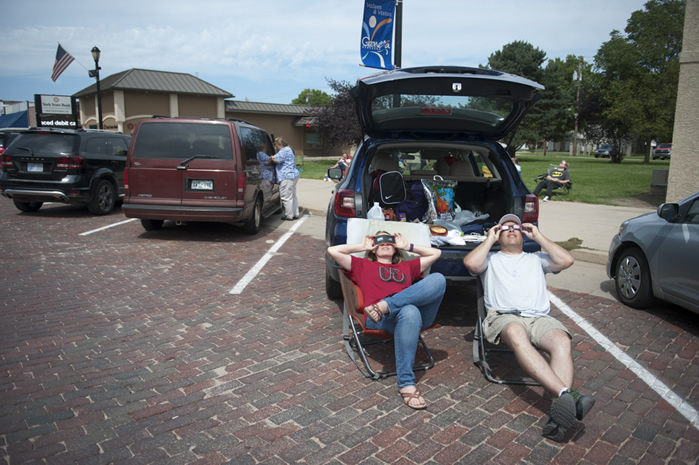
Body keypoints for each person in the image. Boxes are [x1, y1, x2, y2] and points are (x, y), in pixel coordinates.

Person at [463, 214, 595, 442]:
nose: (511, 230)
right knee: (516, 331)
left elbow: (566, 261)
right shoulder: (491, 259)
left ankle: (559, 412)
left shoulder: (537, 258)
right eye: (505, 227)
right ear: (498, 234)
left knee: (562, 340)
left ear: (524, 234)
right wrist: (488, 239)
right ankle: (566, 394)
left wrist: (539, 236)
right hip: (504, 317)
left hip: (538, 318)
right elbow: (471, 264)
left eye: (516, 227)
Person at [327, 231, 445, 409]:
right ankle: (406, 383)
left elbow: (436, 253)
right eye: (378, 240)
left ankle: (385, 305)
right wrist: (361, 247)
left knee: (439, 278)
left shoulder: (407, 267)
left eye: (389, 240)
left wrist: (407, 247)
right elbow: (333, 251)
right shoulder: (362, 265)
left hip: (402, 315)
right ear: (373, 248)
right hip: (381, 320)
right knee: (410, 310)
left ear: (395, 247)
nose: (384, 242)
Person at [271, 137, 300, 220]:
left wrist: (270, 157)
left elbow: (276, 159)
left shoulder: (283, 151)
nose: (276, 148)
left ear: (279, 145)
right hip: (293, 175)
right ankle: (295, 214)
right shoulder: (289, 149)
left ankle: (289, 215)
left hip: (286, 176)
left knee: (286, 197)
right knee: (293, 196)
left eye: (276, 146)